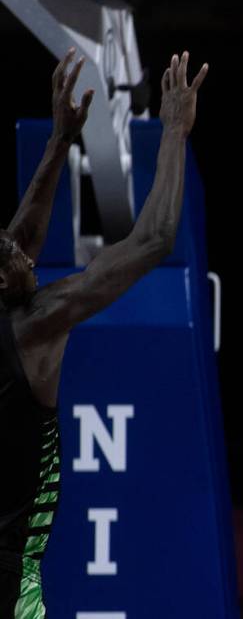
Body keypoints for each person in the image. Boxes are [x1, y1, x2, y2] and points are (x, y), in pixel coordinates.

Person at [0, 50, 207, 618]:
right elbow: (154, 240)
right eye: (16, 257)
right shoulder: (33, 323)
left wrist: (60, 140)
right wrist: (173, 132)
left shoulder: (12, 309)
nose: (27, 253)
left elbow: (22, 236)